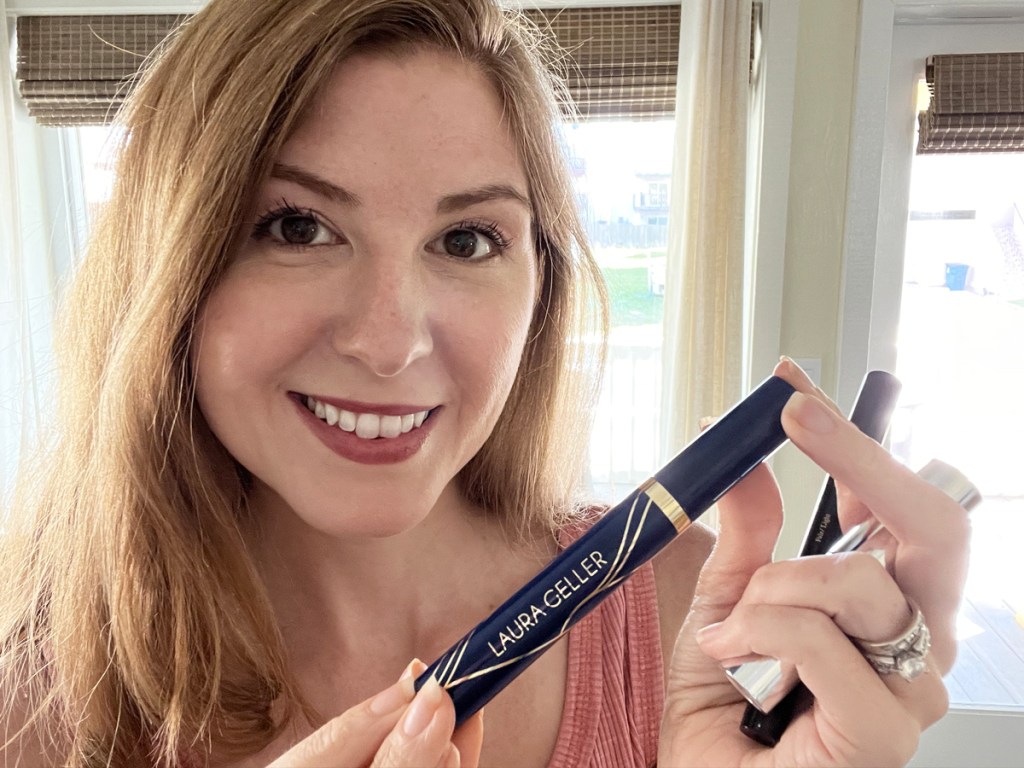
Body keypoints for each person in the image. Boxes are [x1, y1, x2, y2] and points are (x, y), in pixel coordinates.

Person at [0, 0, 970, 765]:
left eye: (467, 239)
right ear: (167, 266)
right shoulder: (30, 691)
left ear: (539, 289)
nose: (387, 342)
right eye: (295, 226)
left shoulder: (681, 616)